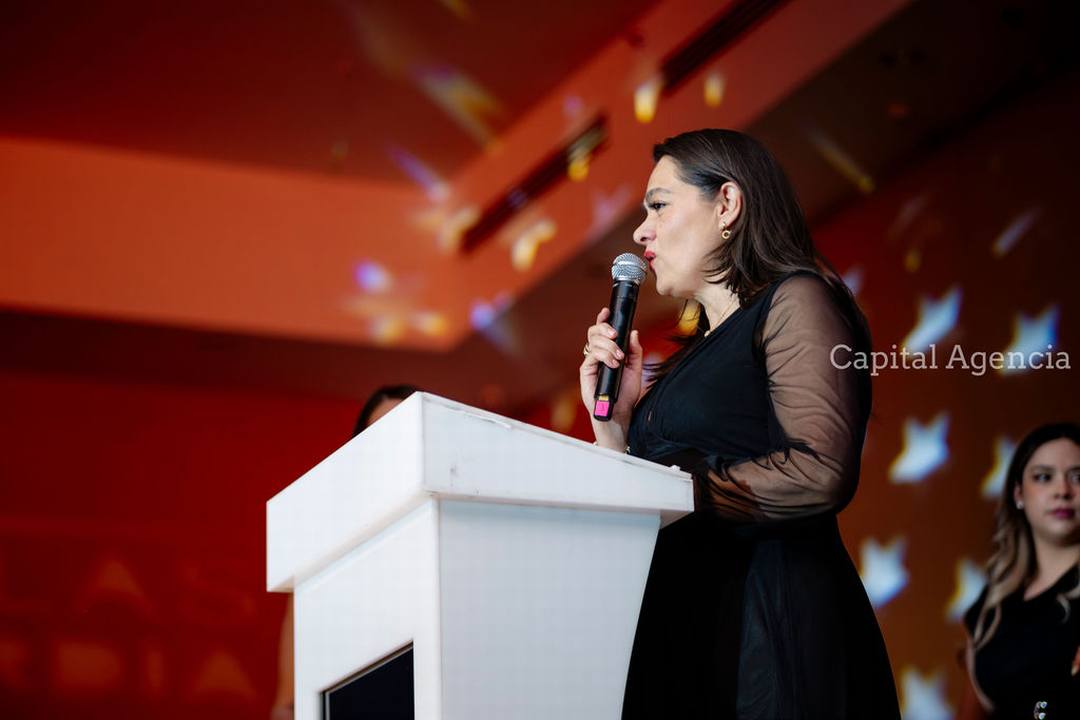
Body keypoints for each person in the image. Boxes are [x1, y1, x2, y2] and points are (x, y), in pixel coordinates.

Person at [579, 129, 899, 718]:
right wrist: (616, 429)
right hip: (689, 629)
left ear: (726, 203)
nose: (641, 232)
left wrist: (678, 490)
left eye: (659, 205)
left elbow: (819, 470)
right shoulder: (688, 359)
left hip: (767, 628)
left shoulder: (796, 300)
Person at [270, 384, 419, 720]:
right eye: (379, 437)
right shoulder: (326, 549)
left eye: (403, 431)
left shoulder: (452, 540)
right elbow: (288, 700)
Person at [958, 422, 1080, 719]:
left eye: (1078, 477)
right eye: (1044, 477)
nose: (1062, 491)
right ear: (1018, 494)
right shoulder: (992, 606)